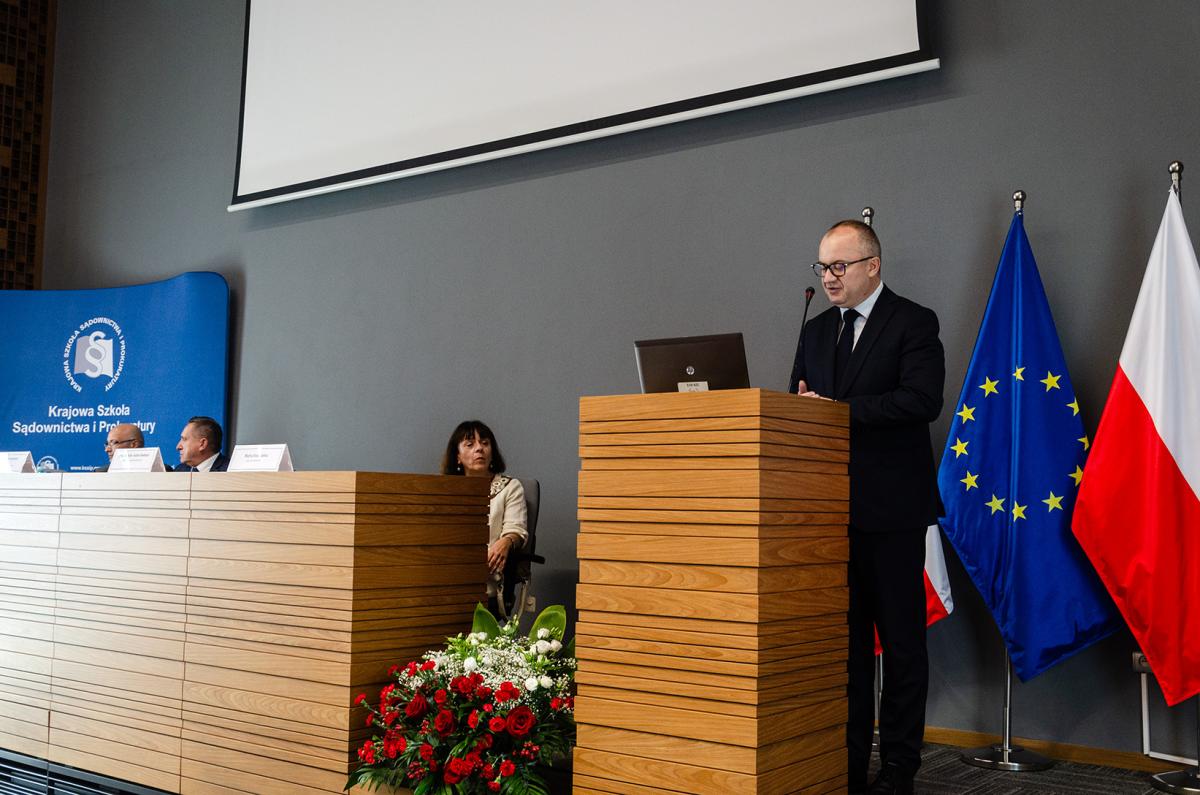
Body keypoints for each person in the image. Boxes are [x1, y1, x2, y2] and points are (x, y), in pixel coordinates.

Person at [788, 220, 945, 795]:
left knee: (902, 647)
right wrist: (805, 413)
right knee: (846, 650)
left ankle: (900, 768)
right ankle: (848, 766)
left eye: (838, 267)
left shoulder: (913, 321)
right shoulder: (816, 330)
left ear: (872, 266)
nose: (828, 279)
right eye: (822, 268)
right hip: (829, 516)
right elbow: (798, 409)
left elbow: (922, 399)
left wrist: (836, 410)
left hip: (894, 512)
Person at [441, 420, 528, 617]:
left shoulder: (510, 487)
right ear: (457, 456)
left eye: (485, 443)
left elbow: (517, 530)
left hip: (488, 578)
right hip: (448, 575)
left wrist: (506, 541)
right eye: (470, 444)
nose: (479, 448)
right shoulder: (445, 490)